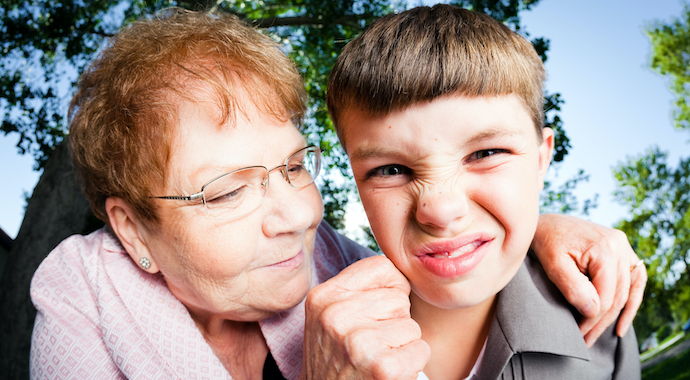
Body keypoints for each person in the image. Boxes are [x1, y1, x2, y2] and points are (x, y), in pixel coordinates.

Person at [29, 7, 644, 380]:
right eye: (225, 193)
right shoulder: (84, 295)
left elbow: (439, 231)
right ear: (132, 230)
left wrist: (541, 227)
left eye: (296, 167)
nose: (298, 216)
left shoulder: (330, 263)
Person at [311, 4, 641, 379]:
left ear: (541, 158)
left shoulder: (605, 327)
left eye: (486, 153)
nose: (440, 208)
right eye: (391, 170)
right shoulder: (316, 338)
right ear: (357, 184)